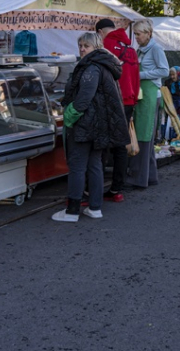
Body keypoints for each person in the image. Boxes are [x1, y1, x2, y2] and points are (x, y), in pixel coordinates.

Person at [52, 32, 130, 222]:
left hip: (86, 124)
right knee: (94, 165)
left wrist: (69, 114)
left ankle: (72, 211)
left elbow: (84, 98)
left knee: (78, 166)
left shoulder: (91, 68)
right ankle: (95, 208)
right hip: (99, 124)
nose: (82, 49)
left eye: (85, 46)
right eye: (80, 46)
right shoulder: (104, 65)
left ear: (95, 47)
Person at [95, 19, 140, 203]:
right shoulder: (130, 49)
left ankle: (94, 190)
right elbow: (136, 78)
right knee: (121, 145)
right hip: (128, 100)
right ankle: (117, 189)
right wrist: (134, 99)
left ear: (99, 32)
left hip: (111, 101)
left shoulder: (104, 47)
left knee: (103, 145)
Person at [126, 18, 169, 189]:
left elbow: (164, 70)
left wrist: (141, 75)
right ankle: (150, 176)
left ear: (148, 33)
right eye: (135, 34)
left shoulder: (156, 49)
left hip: (151, 95)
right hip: (142, 95)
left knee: (143, 136)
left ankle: (138, 178)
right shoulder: (140, 50)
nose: (136, 37)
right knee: (146, 137)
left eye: (138, 34)